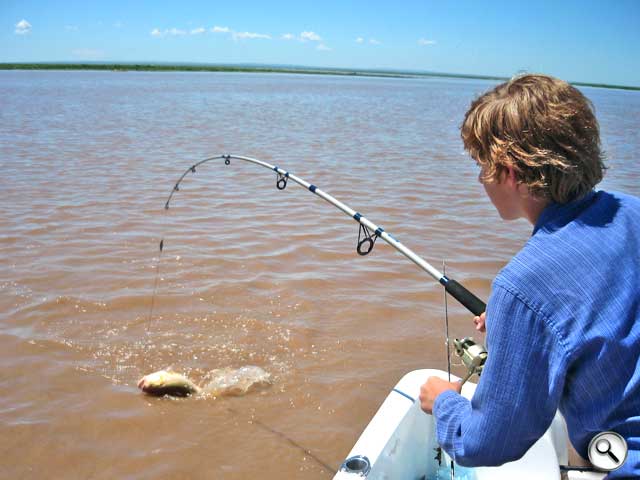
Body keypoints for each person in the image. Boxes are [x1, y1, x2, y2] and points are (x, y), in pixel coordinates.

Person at [419, 74, 640, 478]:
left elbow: (485, 442)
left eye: (481, 165)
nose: (479, 179)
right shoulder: (633, 210)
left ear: (510, 173)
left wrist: (445, 403)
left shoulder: (523, 286)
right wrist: (516, 327)